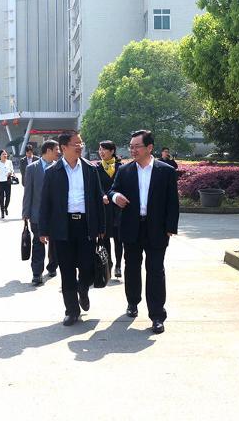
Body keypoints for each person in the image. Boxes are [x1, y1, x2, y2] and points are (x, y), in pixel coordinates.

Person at [108, 130, 179, 334]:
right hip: (131, 226)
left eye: (137, 146)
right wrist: (115, 197)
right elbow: (112, 190)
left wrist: (170, 228)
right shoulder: (125, 170)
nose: (133, 150)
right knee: (132, 267)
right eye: (131, 146)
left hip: (157, 228)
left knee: (156, 270)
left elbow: (172, 202)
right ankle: (132, 302)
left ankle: (157, 315)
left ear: (149, 148)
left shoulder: (165, 171)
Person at [39, 131, 105, 326]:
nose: (80, 146)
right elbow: (45, 203)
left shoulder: (90, 169)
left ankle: (83, 289)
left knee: (87, 266)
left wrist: (101, 226)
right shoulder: (52, 172)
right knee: (66, 270)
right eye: (76, 143)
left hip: (86, 225)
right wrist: (43, 230)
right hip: (63, 226)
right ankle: (71, 310)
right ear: (64, 147)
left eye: (81, 143)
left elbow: (97, 199)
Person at [22, 139, 60, 285]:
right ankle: (37, 273)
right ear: (48, 150)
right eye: (56, 150)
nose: (58, 152)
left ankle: (52, 266)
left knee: (54, 243)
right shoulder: (32, 168)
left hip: (55, 214)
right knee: (38, 243)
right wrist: (25, 213)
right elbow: (28, 192)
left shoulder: (59, 167)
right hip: (36, 213)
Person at [96, 140, 123, 278]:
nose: (101, 152)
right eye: (100, 149)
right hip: (104, 208)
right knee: (104, 239)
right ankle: (108, 264)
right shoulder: (97, 168)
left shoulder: (120, 167)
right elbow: (96, 186)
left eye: (104, 149)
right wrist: (102, 195)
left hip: (118, 208)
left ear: (112, 151)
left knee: (118, 239)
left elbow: (123, 186)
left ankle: (118, 265)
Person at [0, 149, 14, 218]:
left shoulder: (9, 162)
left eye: (5, 154)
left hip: (8, 181)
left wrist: (10, 172)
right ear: (0, 156)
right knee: (1, 197)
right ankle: (2, 212)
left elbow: (12, 170)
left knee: (8, 197)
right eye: (3, 154)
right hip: (0, 182)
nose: (5, 155)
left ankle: (5, 208)